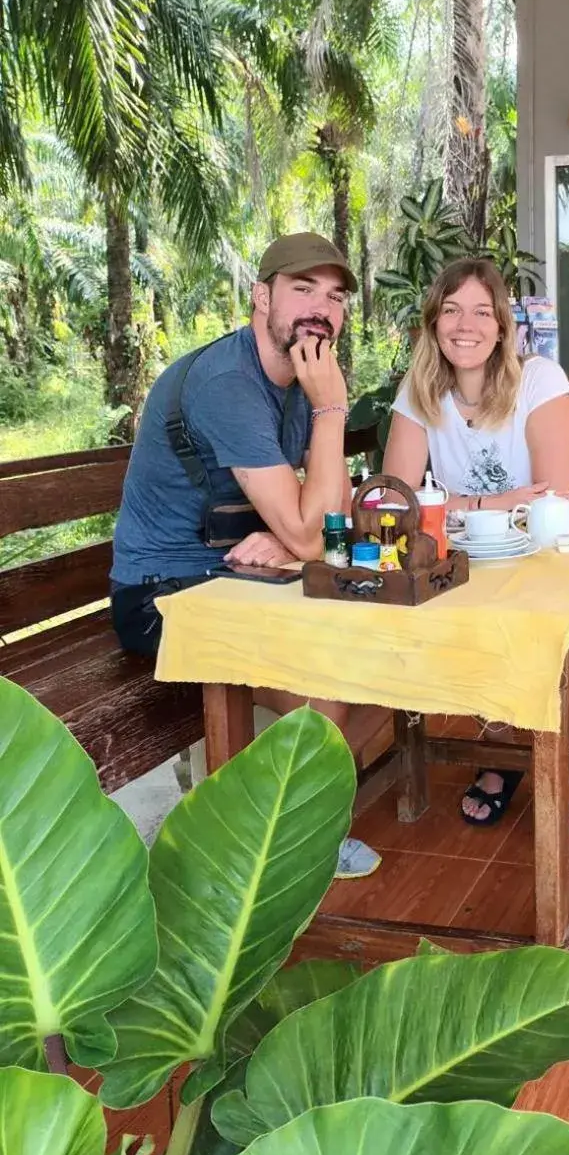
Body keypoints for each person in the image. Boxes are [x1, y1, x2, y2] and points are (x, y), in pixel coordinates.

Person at [110, 231, 385, 878]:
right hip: (161, 594)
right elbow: (317, 533)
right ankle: (281, 843)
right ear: (261, 297)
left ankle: (274, 813)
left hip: (229, 571)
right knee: (326, 693)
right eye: (303, 288)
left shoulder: (293, 380)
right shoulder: (228, 382)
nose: (322, 307)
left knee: (372, 655)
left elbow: (323, 521)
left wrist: (291, 535)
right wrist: (334, 409)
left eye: (335, 295)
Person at [383, 257, 569, 832]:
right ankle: (504, 758)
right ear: (433, 323)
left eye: (483, 311)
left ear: (503, 326)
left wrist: (452, 504)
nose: (466, 325)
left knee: (557, 650)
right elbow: (395, 502)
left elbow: (550, 498)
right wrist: (486, 505)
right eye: (452, 310)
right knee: (485, 642)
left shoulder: (540, 381)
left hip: (554, 538)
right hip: (472, 545)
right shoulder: (419, 391)